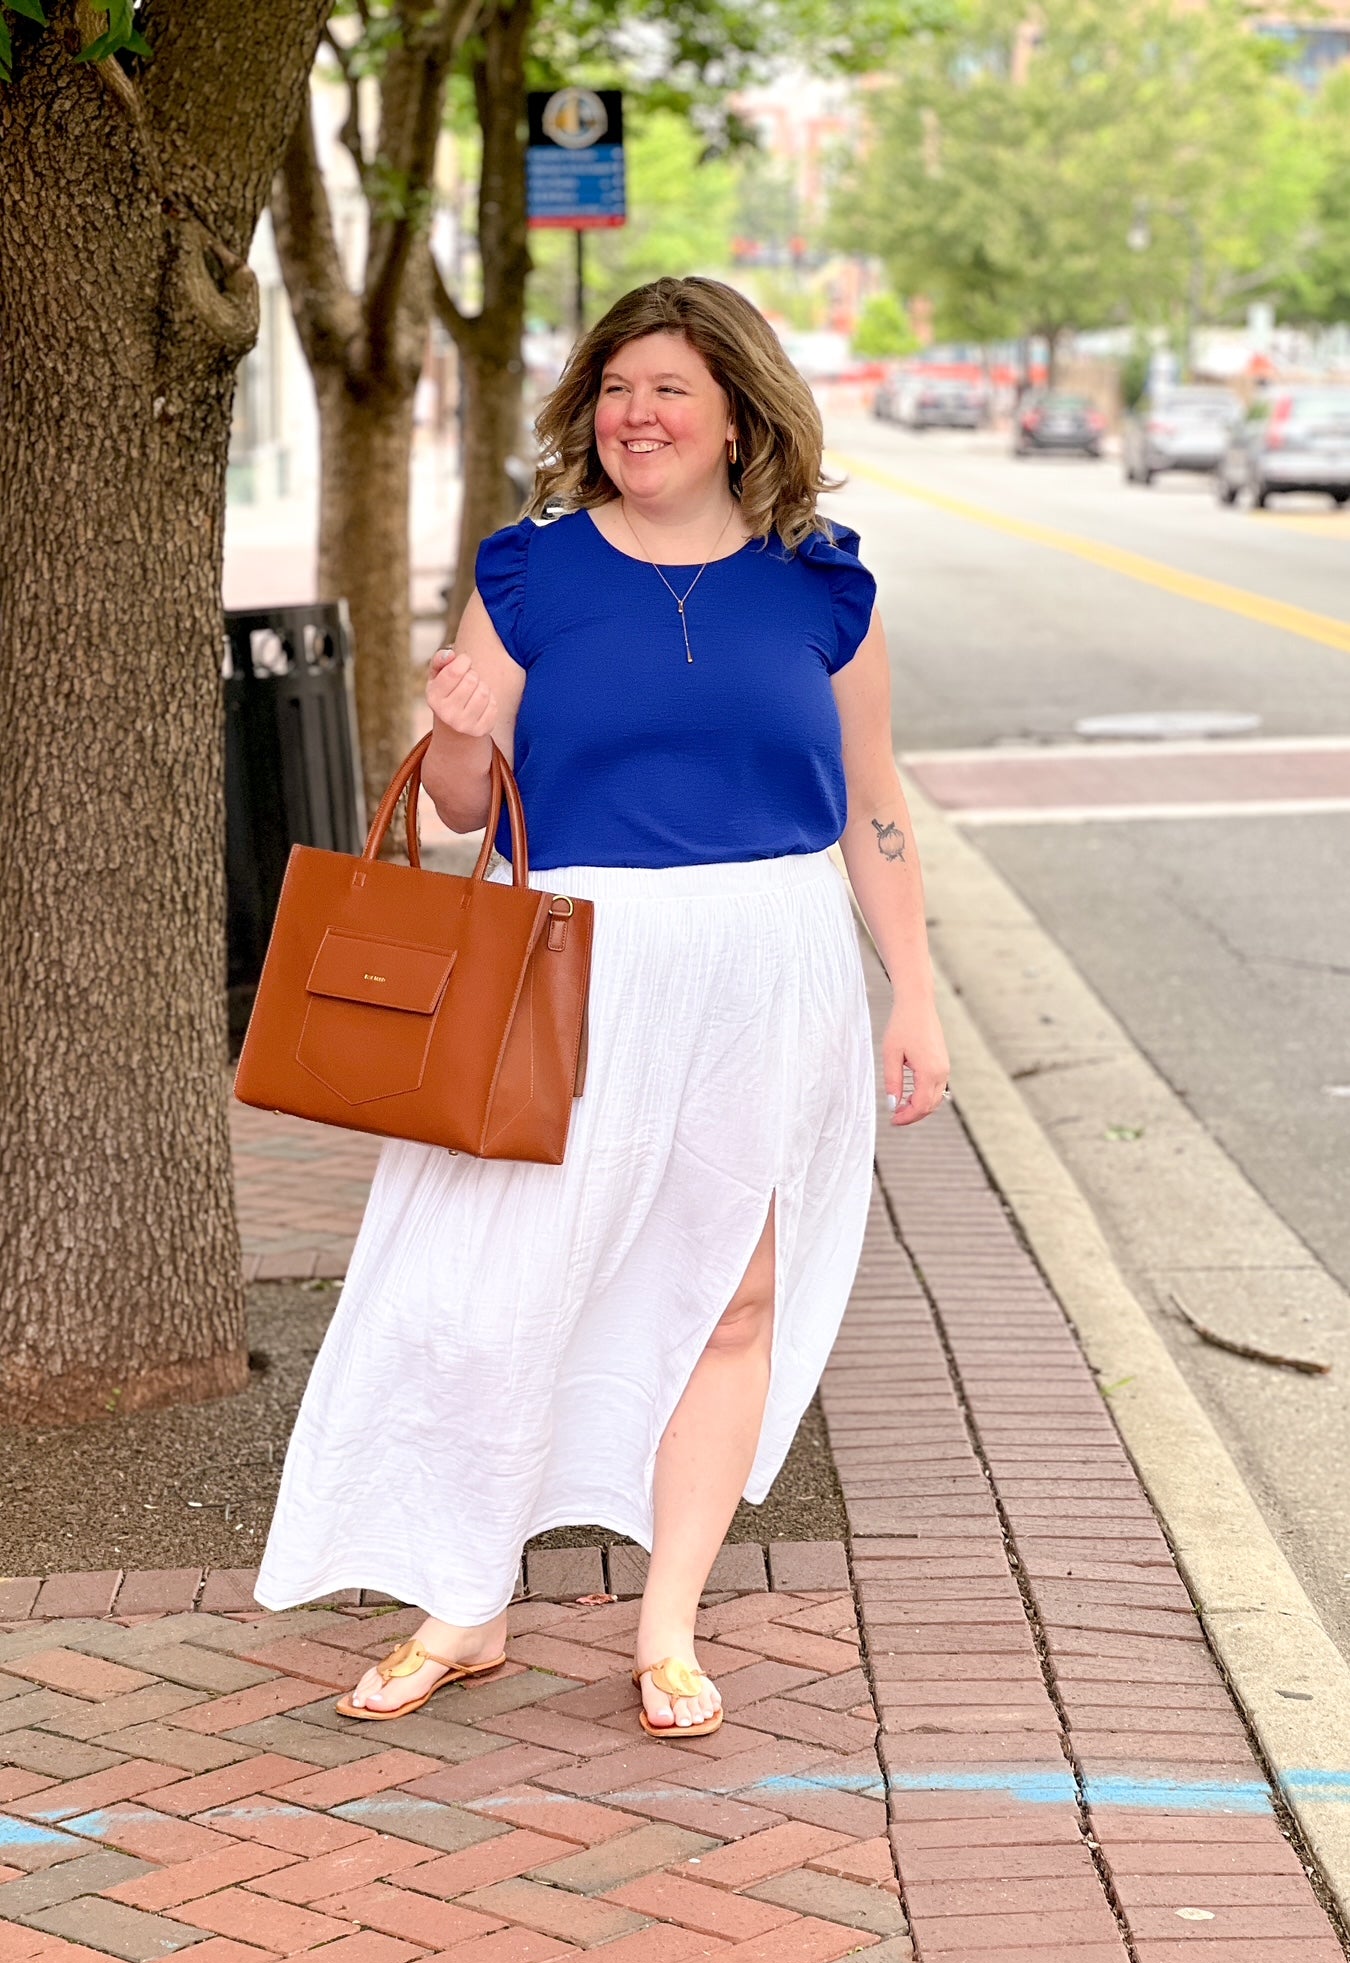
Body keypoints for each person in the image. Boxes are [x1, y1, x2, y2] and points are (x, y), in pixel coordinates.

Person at [253, 275, 949, 1738]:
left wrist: (914, 997)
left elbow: (873, 804)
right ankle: (467, 1597)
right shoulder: (531, 573)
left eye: (669, 391)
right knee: (506, 1284)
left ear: (741, 415)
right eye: (618, 389)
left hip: (772, 964)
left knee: (735, 1291)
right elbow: (456, 810)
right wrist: (452, 733)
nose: (636, 415)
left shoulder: (824, 585)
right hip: (576, 960)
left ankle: (671, 1627)